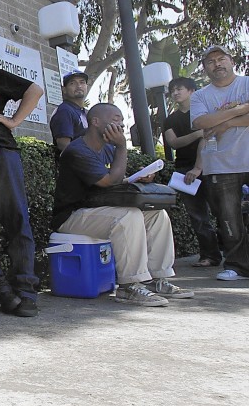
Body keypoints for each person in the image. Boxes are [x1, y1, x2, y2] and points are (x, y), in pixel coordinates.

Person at [52, 103, 193, 306]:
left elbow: (115, 179)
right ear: (96, 121)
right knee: (128, 216)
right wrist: (122, 146)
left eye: (121, 119)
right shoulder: (77, 150)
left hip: (98, 211)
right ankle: (129, 286)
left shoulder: (107, 148)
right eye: (116, 118)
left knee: (157, 215)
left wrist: (136, 178)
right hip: (71, 216)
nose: (121, 123)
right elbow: (109, 181)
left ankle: (156, 279)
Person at [0, 68, 44, 317]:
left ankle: (26, 290)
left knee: (17, 219)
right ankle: (1, 290)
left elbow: (35, 90)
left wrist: (14, 121)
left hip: (1, 149)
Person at [190, 45, 249, 281]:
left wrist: (226, 124)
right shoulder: (201, 95)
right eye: (211, 61)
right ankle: (236, 266)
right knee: (229, 218)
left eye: (221, 58)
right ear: (205, 68)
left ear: (231, 61)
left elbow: (213, 122)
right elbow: (200, 122)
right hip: (221, 165)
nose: (217, 64)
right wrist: (241, 110)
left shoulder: (245, 83)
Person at [163, 77, 221, 267]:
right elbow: (173, 142)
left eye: (180, 89)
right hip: (183, 170)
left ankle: (236, 257)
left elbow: (209, 140)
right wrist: (196, 134)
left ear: (191, 90)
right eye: (173, 90)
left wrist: (199, 167)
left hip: (212, 167)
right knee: (197, 216)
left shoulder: (205, 113)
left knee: (224, 212)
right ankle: (210, 255)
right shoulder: (171, 119)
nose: (175, 93)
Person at [49, 71, 89, 153]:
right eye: (72, 83)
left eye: (82, 82)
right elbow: (63, 145)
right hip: (77, 164)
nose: (79, 86)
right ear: (64, 90)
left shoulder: (85, 112)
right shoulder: (64, 110)